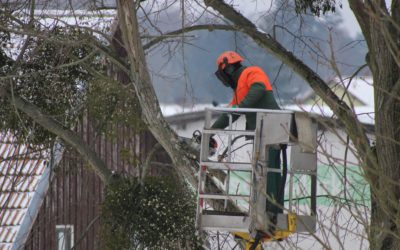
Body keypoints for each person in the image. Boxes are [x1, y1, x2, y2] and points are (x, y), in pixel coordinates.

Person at [211, 51, 283, 217]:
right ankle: (262, 208)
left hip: (272, 130)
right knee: (261, 171)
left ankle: (271, 211)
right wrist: (211, 131)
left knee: (270, 171)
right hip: (261, 135)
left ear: (227, 70)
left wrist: (241, 107)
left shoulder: (252, 72)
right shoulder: (239, 89)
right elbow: (230, 114)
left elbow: (259, 89)